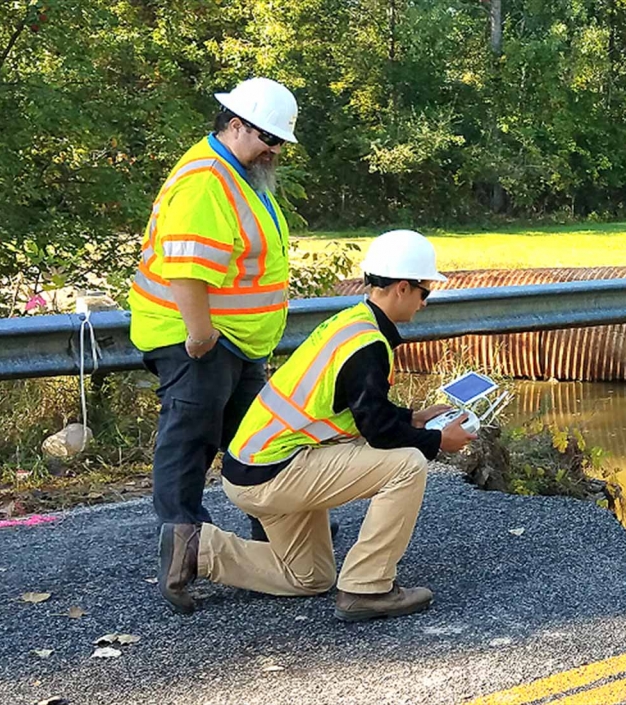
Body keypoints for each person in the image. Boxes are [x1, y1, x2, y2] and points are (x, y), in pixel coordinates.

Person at [156, 230, 478, 619]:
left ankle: (195, 548)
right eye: (425, 292)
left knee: (308, 577)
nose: (425, 302)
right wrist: (438, 439)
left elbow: (356, 409)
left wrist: (413, 417)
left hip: (258, 466)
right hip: (275, 473)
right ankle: (368, 588)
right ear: (403, 288)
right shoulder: (368, 345)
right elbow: (378, 432)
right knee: (408, 463)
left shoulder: (352, 323)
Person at [129, 77, 297, 550]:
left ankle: (284, 535)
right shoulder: (208, 179)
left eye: (280, 141)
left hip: (235, 340)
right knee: (190, 446)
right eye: (268, 138)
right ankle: (185, 551)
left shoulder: (238, 172)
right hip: (199, 339)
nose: (274, 151)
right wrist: (200, 337)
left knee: (260, 439)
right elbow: (187, 271)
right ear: (236, 125)